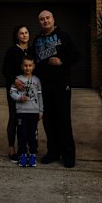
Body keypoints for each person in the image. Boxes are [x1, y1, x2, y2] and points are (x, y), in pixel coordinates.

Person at [32, 10, 80, 168]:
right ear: (39, 22)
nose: (45, 21)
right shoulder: (37, 40)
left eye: (47, 18)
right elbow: (34, 62)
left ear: (53, 19)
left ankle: (68, 155)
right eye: (42, 19)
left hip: (61, 85)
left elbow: (76, 56)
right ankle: (53, 152)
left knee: (63, 120)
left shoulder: (64, 36)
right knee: (49, 121)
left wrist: (61, 61)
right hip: (44, 87)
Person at [1, 25, 32, 162]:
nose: (24, 35)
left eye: (26, 33)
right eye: (21, 33)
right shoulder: (12, 51)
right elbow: (5, 70)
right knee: (14, 117)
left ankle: (24, 148)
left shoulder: (32, 51)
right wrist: (15, 81)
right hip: (14, 90)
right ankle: (11, 147)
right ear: (17, 36)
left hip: (28, 91)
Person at [9, 56, 43, 167]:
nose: (27, 68)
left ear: (33, 67)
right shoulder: (18, 79)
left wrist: (41, 111)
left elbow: (40, 96)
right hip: (22, 112)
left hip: (34, 112)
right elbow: (12, 93)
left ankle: (32, 155)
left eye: (30, 65)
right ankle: (22, 155)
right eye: (25, 65)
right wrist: (19, 98)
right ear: (22, 67)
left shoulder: (37, 80)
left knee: (32, 134)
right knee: (22, 134)